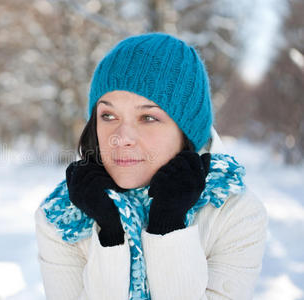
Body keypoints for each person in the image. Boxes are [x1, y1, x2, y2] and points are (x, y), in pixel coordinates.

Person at [34, 32, 268, 300]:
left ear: (186, 131)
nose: (121, 138)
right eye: (108, 115)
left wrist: (169, 225)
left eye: (147, 117)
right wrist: (110, 233)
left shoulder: (234, 213)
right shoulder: (62, 218)